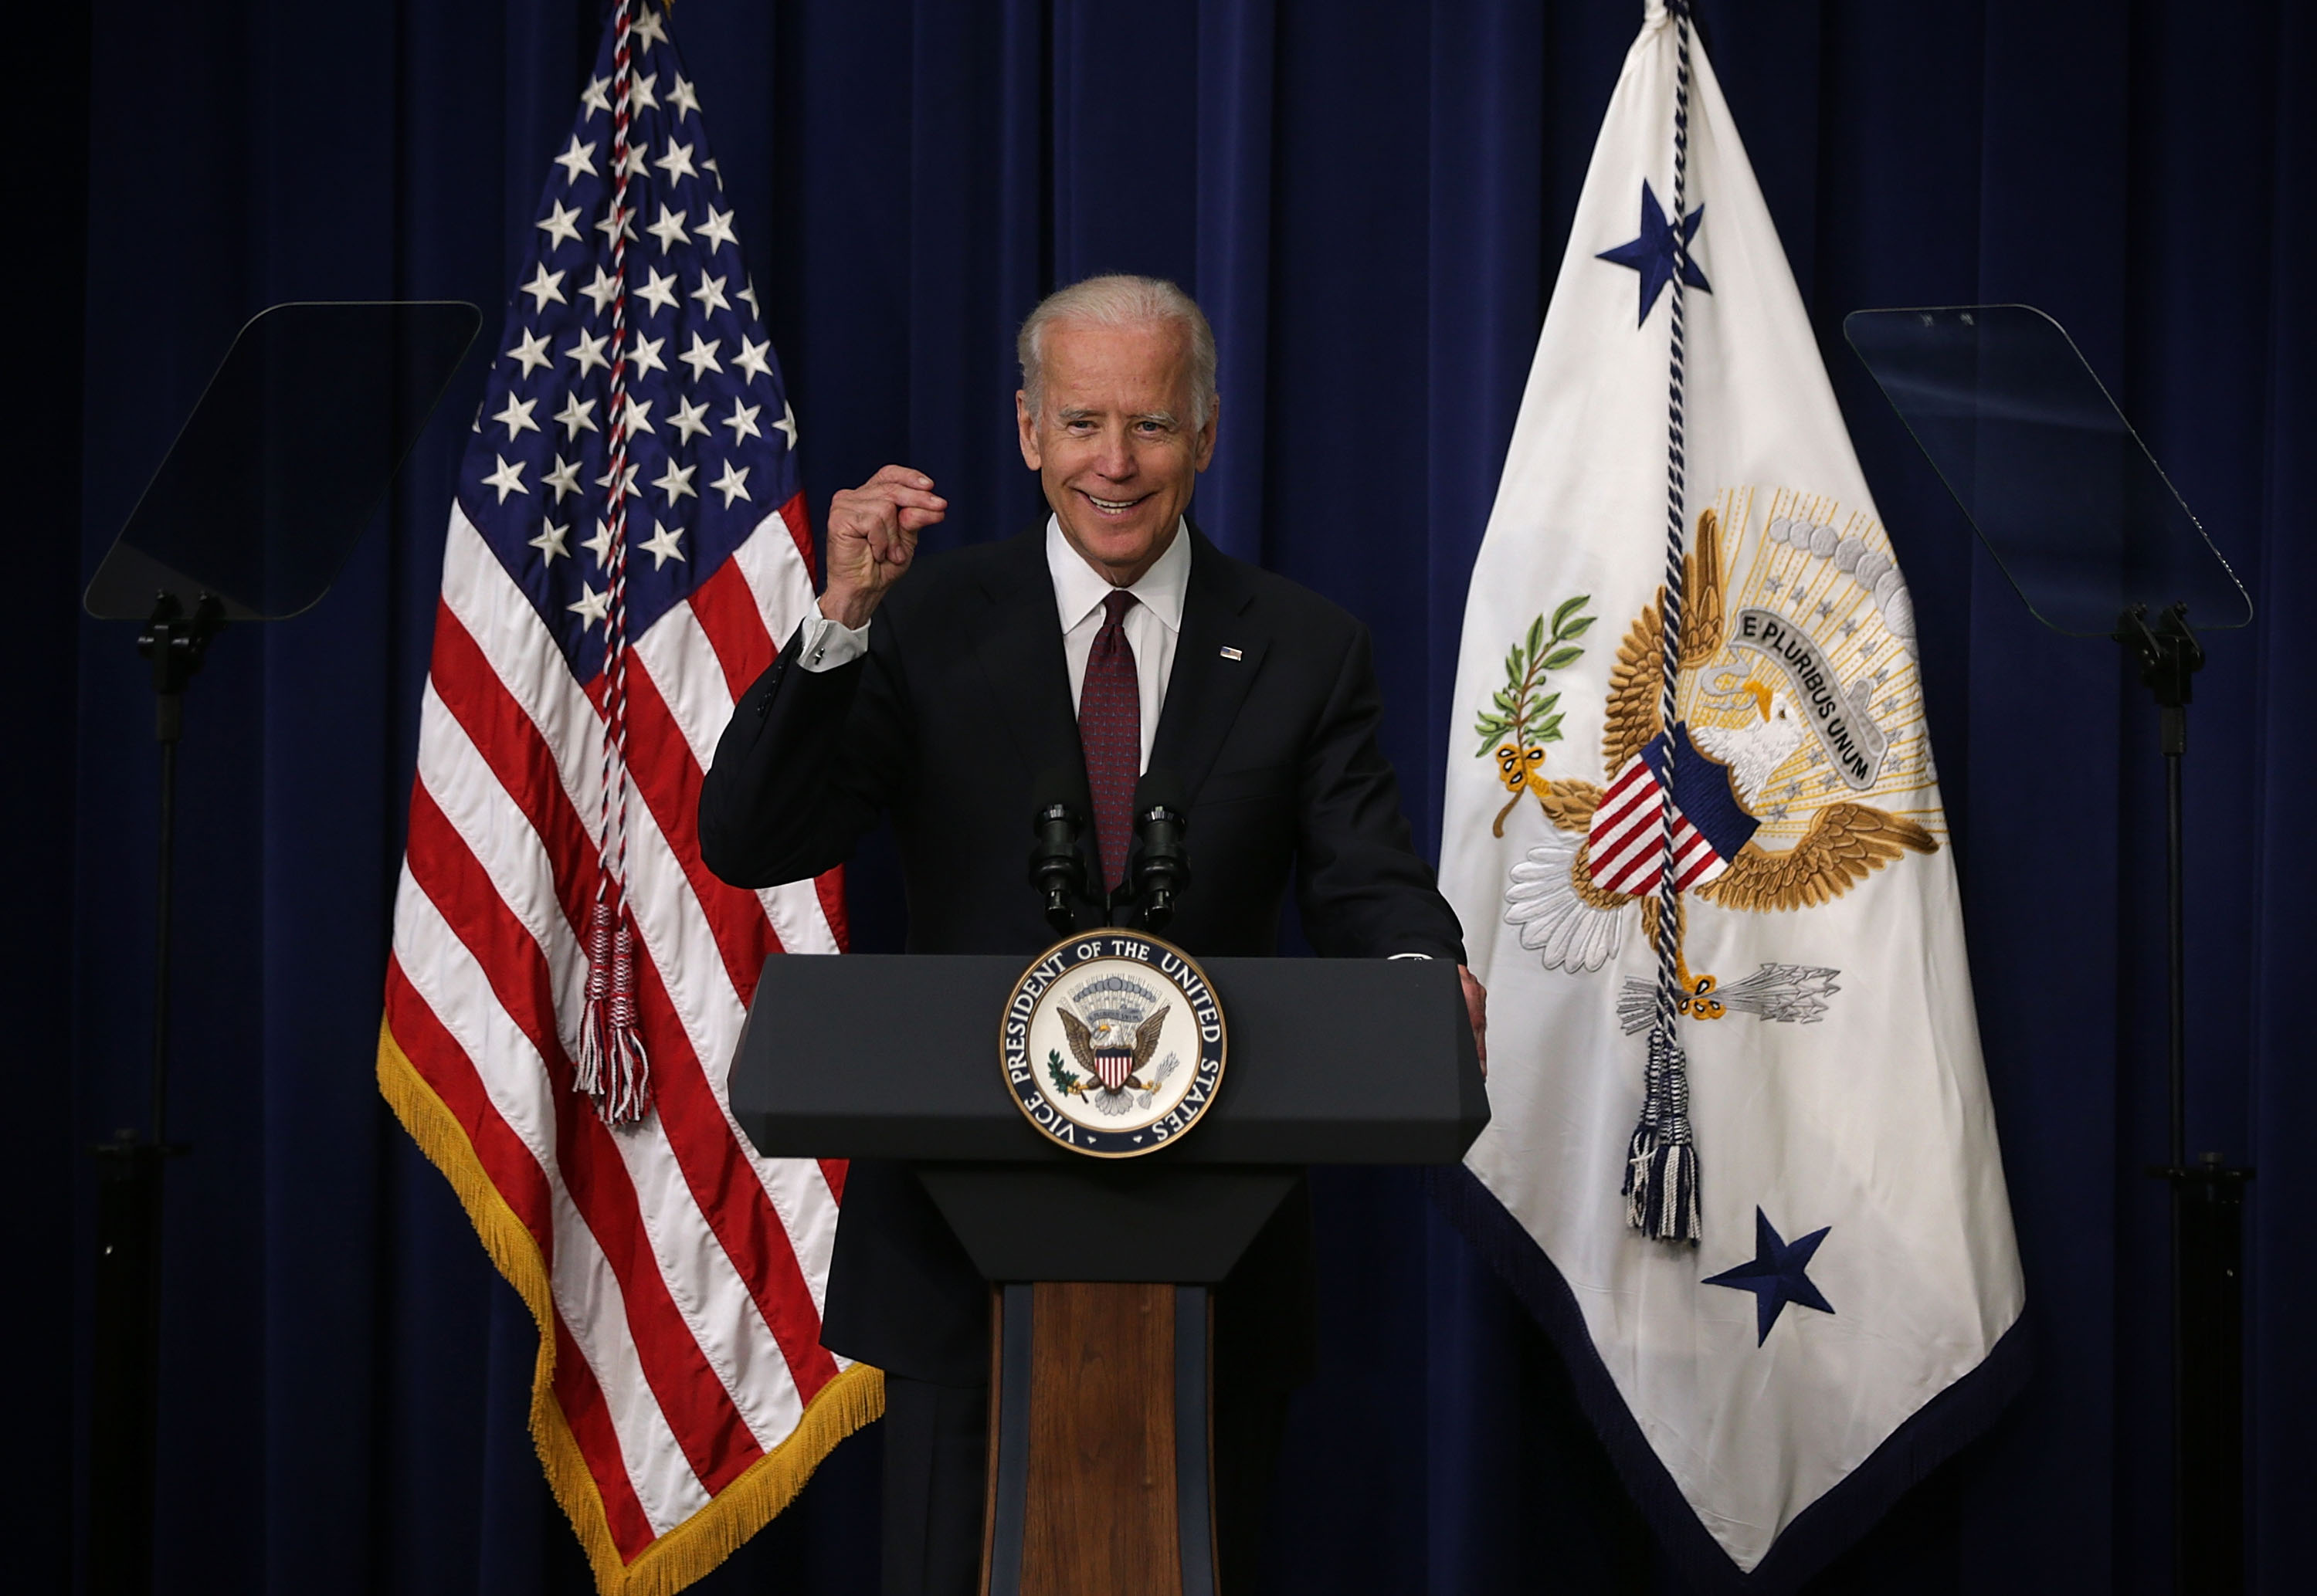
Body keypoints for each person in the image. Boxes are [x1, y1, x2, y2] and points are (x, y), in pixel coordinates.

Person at [698, 274, 1484, 1595]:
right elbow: (751, 839)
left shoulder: (1301, 646)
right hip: (961, 1266)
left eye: (1151, 426)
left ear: (1208, 431)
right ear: (1027, 433)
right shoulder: (919, 623)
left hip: (1212, 1252)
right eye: (1081, 425)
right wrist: (840, 617)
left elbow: (1366, 875)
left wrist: (1419, 982)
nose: (1114, 465)